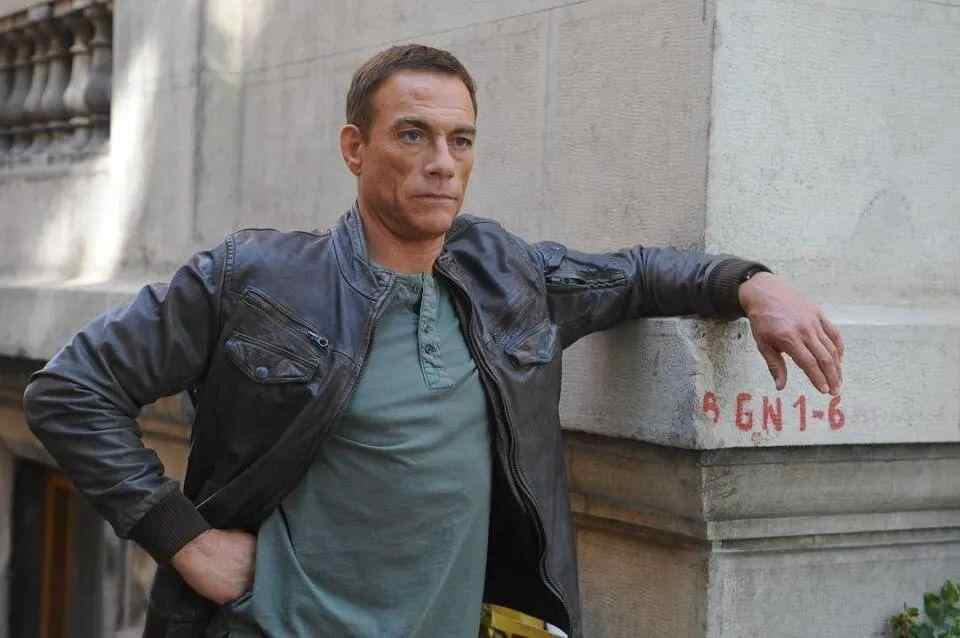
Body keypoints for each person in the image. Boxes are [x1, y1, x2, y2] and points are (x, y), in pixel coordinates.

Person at [22, 44, 843, 638]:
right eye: (412, 135)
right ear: (355, 148)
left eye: (461, 140)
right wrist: (183, 540)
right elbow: (69, 390)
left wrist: (752, 284)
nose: (442, 163)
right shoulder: (257, 278)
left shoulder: (507, 277)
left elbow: (635, 274)